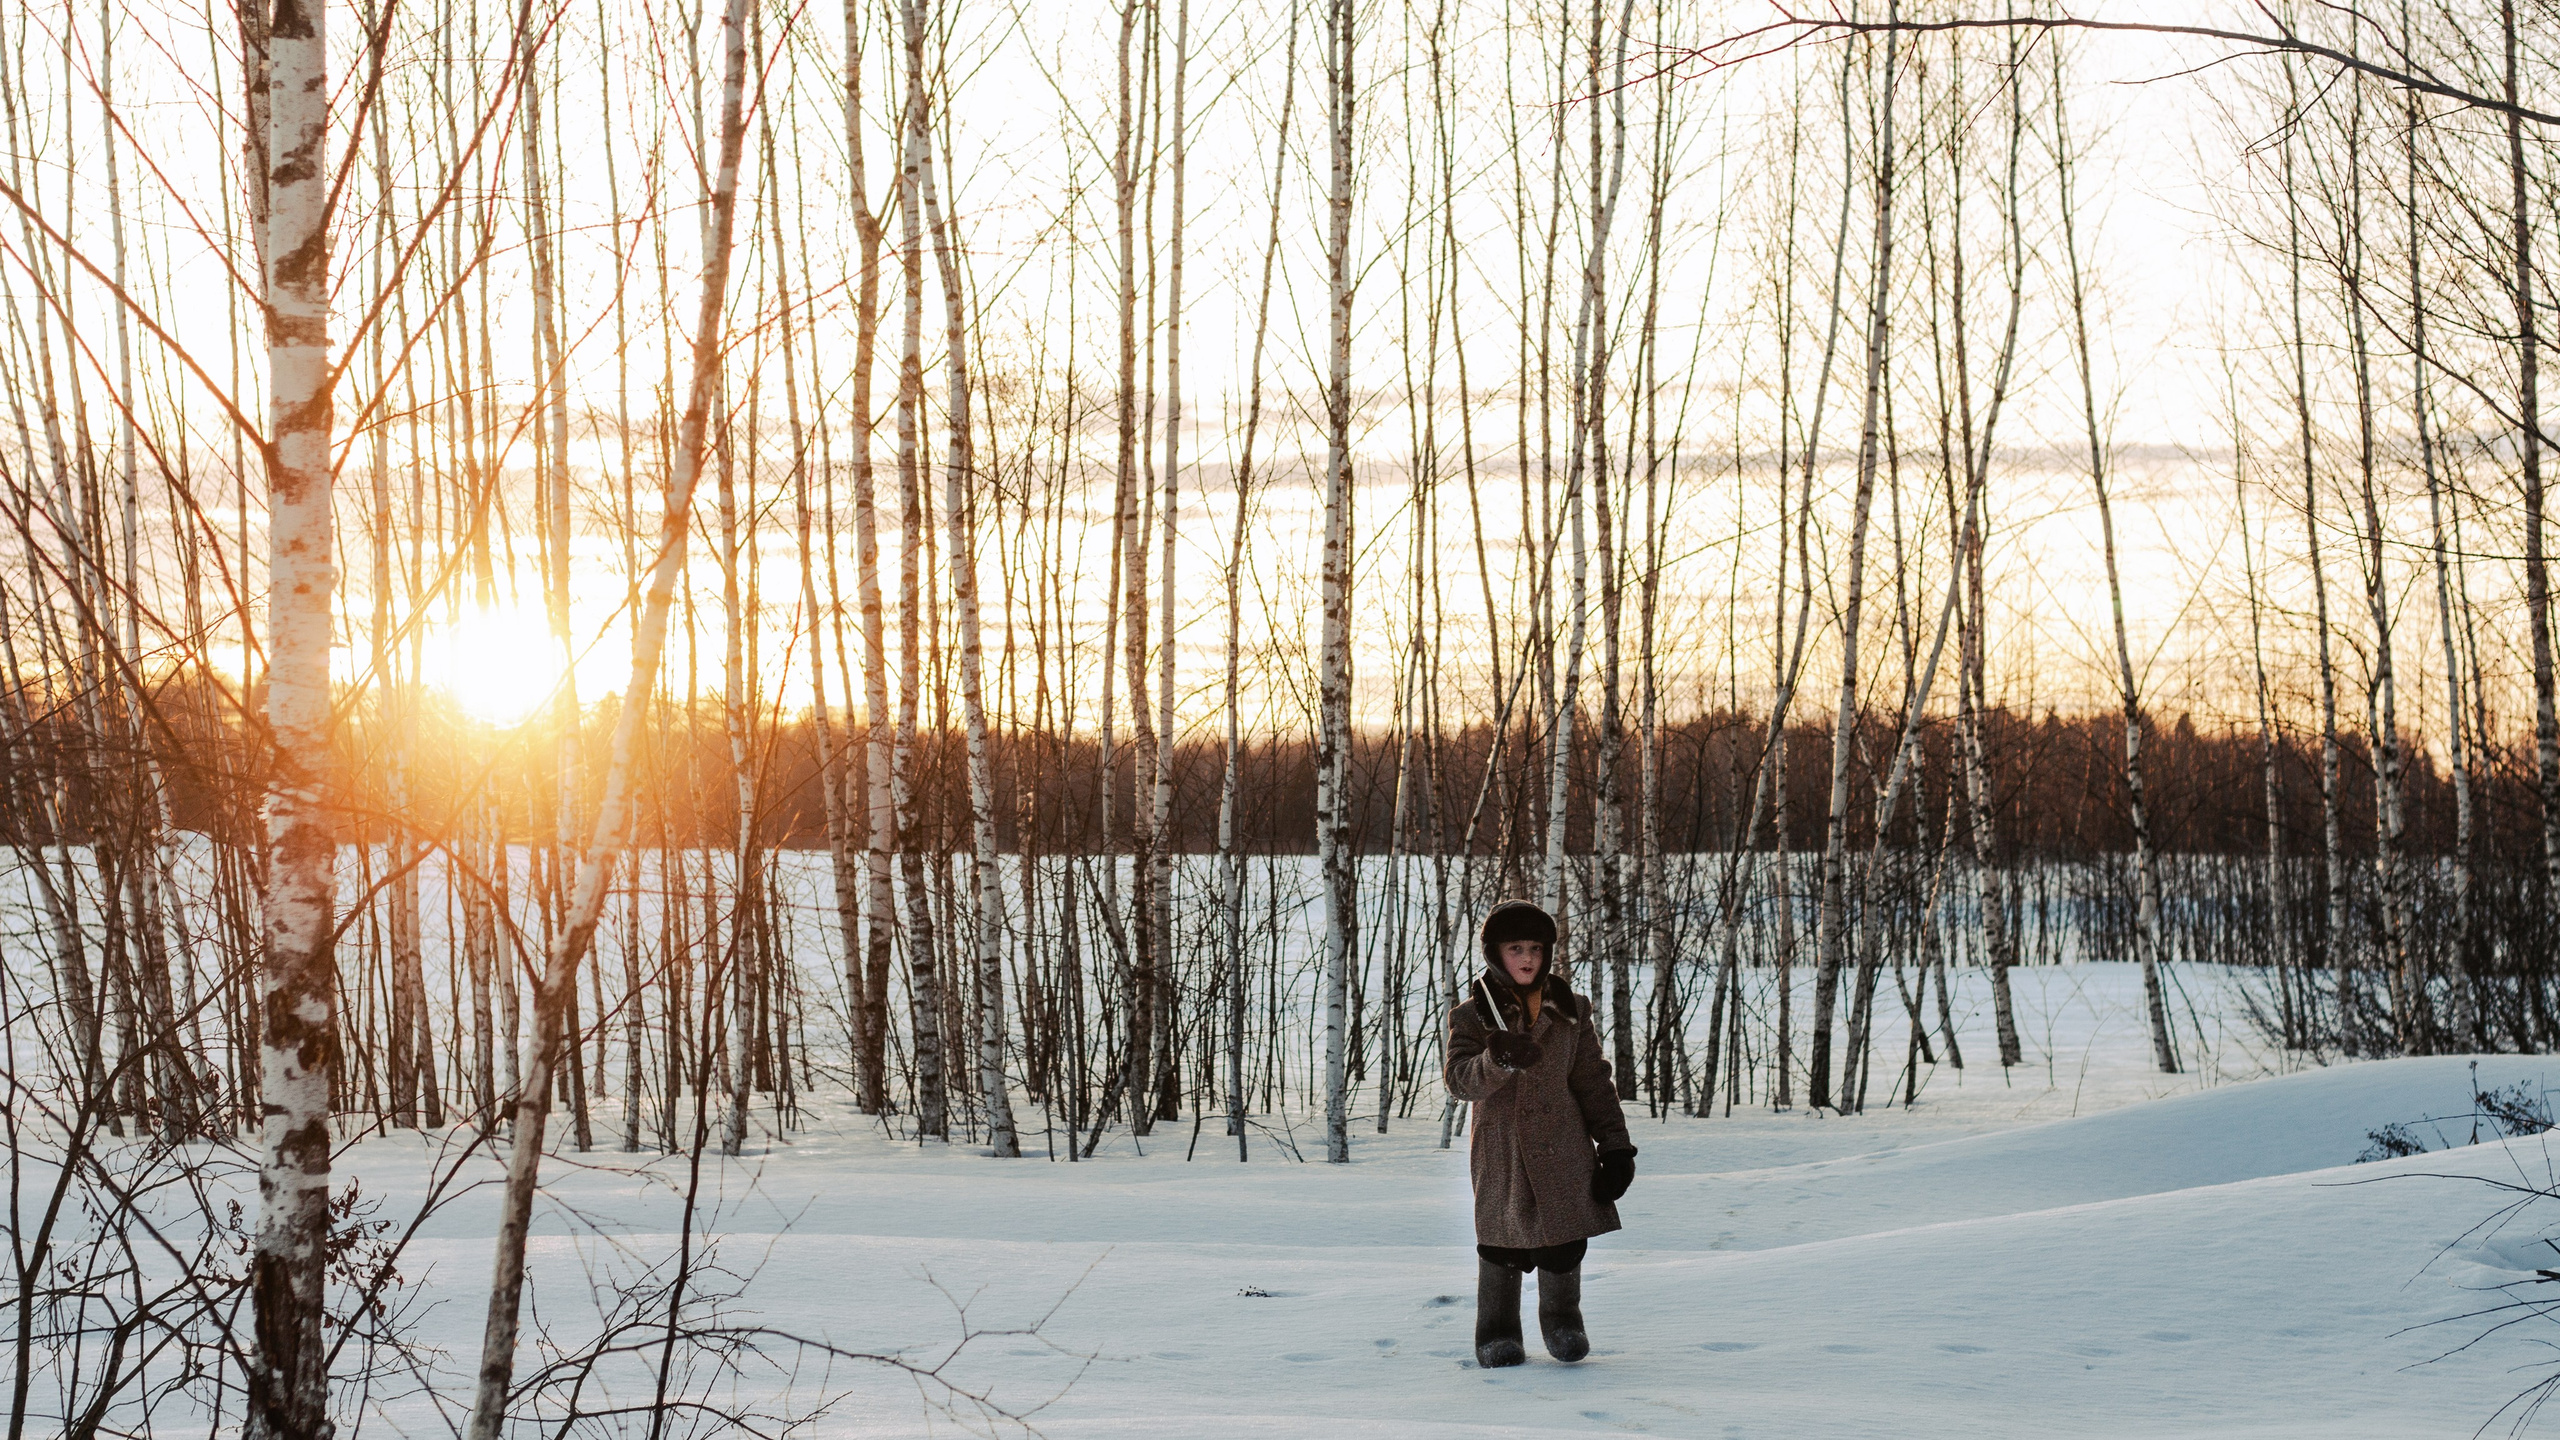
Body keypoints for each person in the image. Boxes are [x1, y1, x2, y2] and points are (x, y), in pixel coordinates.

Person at [1443, 899, 1637, 1368]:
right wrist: (1497, 1059)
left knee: (1564, 1242)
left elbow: (1593, 1082)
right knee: (1501, 1243)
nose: (1527, 958)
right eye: (1516, 948)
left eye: (1535, 948)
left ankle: (1563, 1322)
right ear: (1495, 953)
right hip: (1502, 1152)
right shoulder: (1472, 1016)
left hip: (1563, 1148)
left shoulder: (1572, 1011)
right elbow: (1459, 1081)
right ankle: (1497, 1332)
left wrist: (1615, 1146)